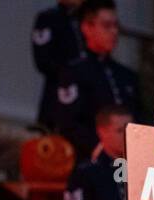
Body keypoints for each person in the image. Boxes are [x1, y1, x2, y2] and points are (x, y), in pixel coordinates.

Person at [53, 0, 141, 160]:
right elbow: (69, 123)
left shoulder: (126, 75)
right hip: (91, 161)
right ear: (87, 28)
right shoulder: (74, 72)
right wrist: (101, 149)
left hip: (131, 162)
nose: (114, 31)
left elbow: (140, 119)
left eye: (116, 26)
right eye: (107, 25)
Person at [32, 0, 85, 130]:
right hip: (58, 99)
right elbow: (43, 61)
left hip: (87, 103)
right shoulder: (50, 19)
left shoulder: (86, 19)